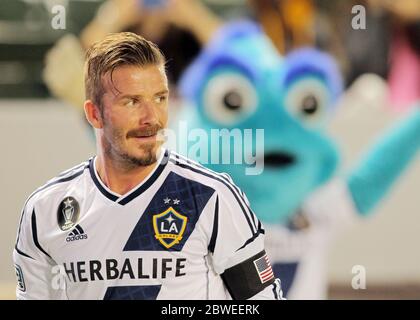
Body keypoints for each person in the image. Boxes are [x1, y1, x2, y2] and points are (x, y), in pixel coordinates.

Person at [13, 32, 283, 300]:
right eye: (131, 101)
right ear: (94, 113)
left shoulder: (211, 197)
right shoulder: (45, 210)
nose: (151, 117)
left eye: (160, 98)